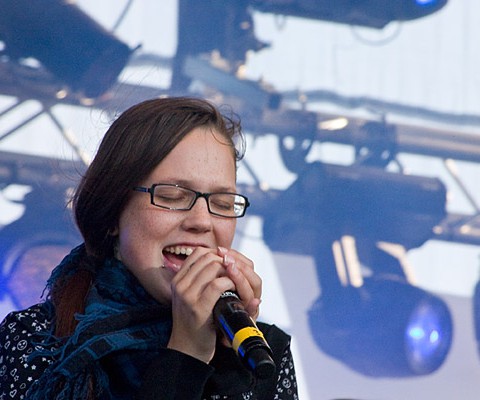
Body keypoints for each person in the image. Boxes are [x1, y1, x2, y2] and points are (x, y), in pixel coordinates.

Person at [0, 97, 298, 399]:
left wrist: (230, 365)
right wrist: (187, 353)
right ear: (113, 211)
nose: (202, 221)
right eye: (171, 196)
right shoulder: (35, 339)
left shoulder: (261, 354)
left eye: (222, 203)